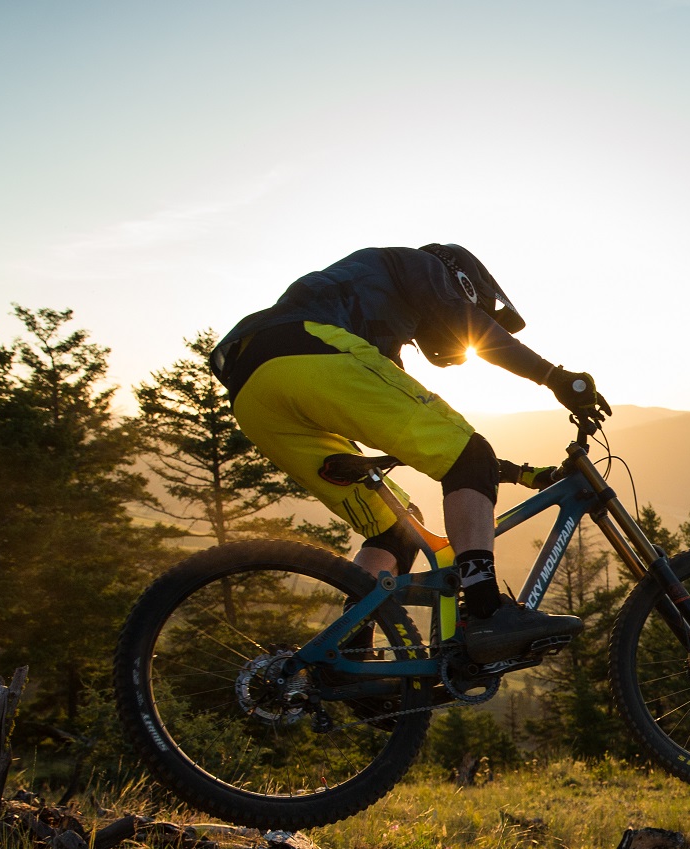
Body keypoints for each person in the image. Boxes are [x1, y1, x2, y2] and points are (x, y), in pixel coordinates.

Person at [210, 244, 603, 664]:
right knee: (466, 455)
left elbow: (421, 439)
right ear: (465, 284)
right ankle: (486, 612)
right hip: (303, 348)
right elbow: (463, 327)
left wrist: (515, 472)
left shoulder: (373, 321)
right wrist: (557, 378)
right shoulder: (425, 265)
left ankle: (349, 655)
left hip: (251, 391)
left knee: (394, 526)